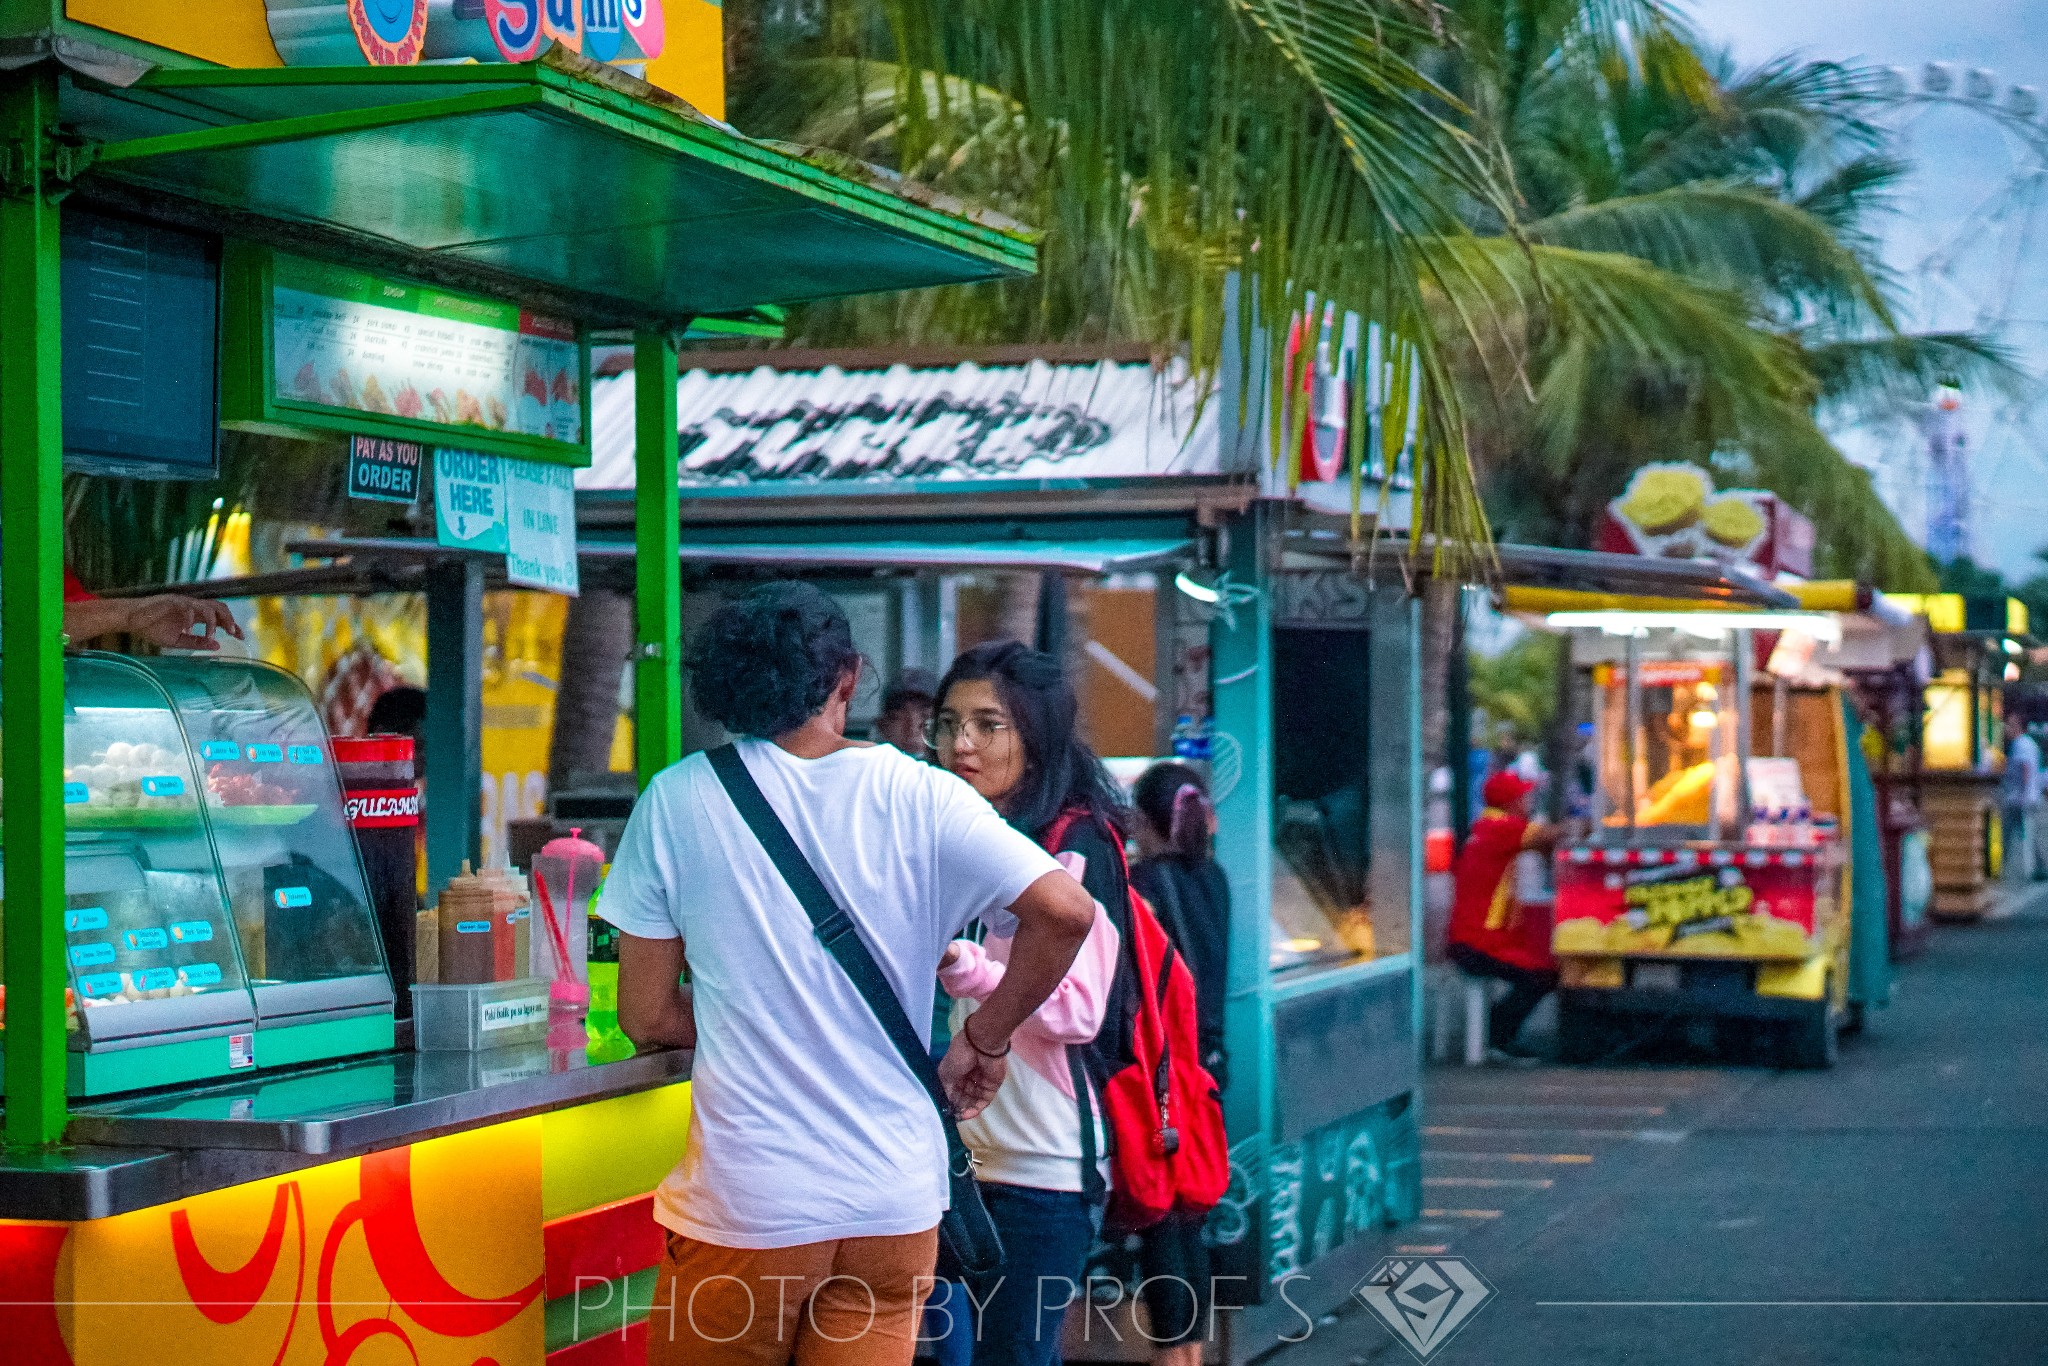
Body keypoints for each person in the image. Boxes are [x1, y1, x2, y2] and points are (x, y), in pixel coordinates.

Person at [599, 582, 1097, 1366]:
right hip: (893, 1206)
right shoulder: (924, 794)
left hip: (750, 1203)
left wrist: (752, 1011)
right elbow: (1067, 912)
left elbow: (647, 1015)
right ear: (847, 679)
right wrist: (987, 1038)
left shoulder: (679, 800)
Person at [927, 640, 1133, 1366]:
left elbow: (1081, 1008)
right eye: (949, 723)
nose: (961, 744)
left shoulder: (1074, 845)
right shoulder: (978, 836)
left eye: (990, 725)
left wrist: (969, 968)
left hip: (1042, 1171)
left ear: (1036, 735)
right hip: (960, 1161)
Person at [1127, 762, 1230, 1365]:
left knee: (1160, 1215)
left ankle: (1175, 1359)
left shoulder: (1141, 885)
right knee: (1189, 1213)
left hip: (1163, 1071)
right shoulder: (1213, 876)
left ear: (1144, 820)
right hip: (1210, 1067)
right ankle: (1191, 1356)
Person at [1446, 770, 1558, 1059]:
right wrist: (1585, 826)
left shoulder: (1484, 827)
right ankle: (1497, 1036)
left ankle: (1493, 1032)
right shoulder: (1505, 828)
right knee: (1543, 975)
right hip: (1478, 943)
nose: (1529, 801)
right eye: (1524, 796)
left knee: (1537, 969)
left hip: (1469, 938)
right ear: (1513, 802)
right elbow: (1549, 837)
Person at [2000, 717, 2042, 884]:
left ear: (2017, 726)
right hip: (2027, 796)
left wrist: (2023, 792)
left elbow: (2025, 768)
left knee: (2015, 834)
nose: (2006, 729)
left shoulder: (2020, 745)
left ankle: (2023, 870)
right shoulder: (2029, 743)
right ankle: (2036, 867)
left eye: (2009, 726)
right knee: (2029, 834)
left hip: (2019, 798)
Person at [876, 667, 938, 758]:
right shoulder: (871, 768)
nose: (912, 728)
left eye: (925, 715)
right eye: (899, 717)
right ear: (883, 726)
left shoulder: (958, 768)